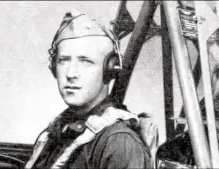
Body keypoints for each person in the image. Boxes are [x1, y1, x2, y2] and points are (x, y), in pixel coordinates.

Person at [25, 9, 153, 169]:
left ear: (110, 68)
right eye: (64, 60)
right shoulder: (58, 130)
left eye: (85, 61)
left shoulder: (119, 143)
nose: (71, 73)